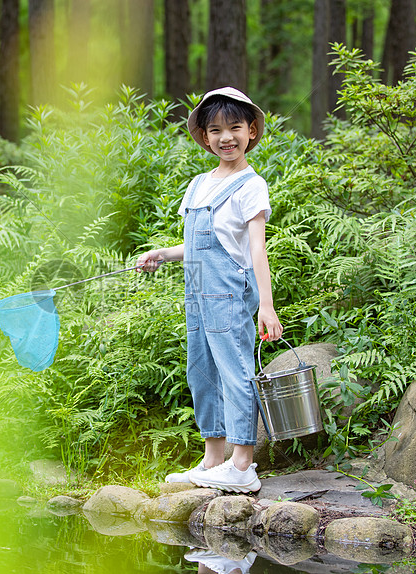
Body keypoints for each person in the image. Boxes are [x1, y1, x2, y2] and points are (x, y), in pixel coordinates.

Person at [136, 87, 282, 493]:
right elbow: (202, 243)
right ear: (204, 137)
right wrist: (163, 253)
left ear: (251, 131)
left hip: (230, 294)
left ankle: (242, 465)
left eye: (235, 127)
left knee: (234, 373)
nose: (226, 137)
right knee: (201, 371)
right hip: (197, 294)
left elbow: (255, 249)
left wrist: (266, 307)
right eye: (215, 130)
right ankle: (212, 459)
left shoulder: (251, 185)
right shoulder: (199, 183)